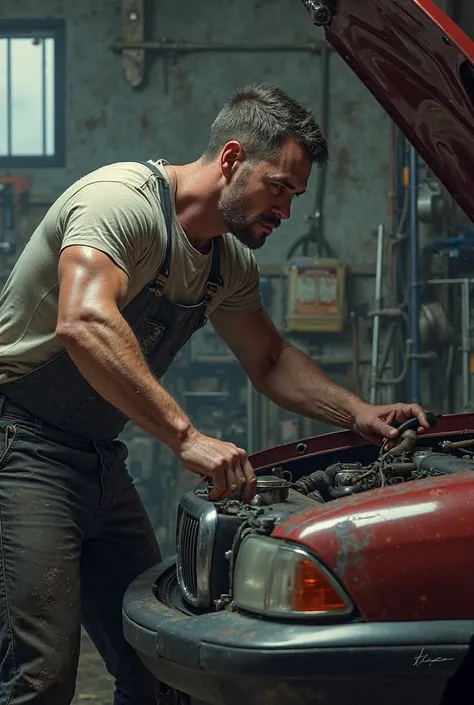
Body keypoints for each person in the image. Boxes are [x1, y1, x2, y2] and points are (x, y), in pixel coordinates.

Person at [0, 83, 428, 705]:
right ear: (231, 160)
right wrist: (188, 438)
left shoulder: (227, 263)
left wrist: (358, 412)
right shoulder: (120, 203)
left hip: (96, 458)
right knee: (39, 676)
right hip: (20, 447)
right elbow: (84, 321)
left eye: (296, 195)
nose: (285, 209)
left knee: (158, 668)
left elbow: (272, 359)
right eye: (278, 186)